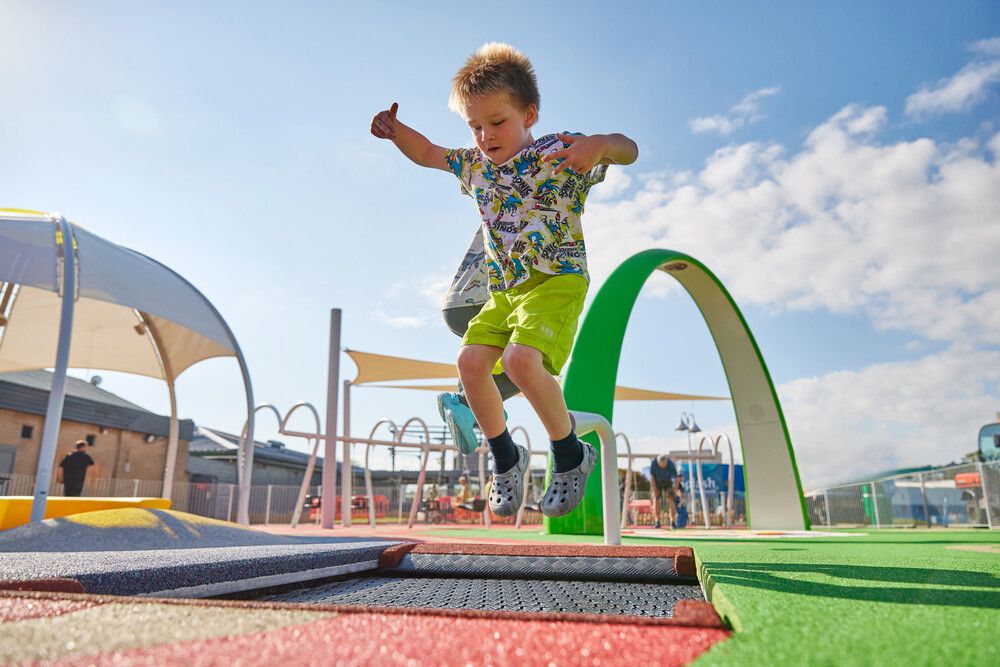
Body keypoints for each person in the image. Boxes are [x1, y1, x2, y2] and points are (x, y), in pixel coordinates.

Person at [372, 42, 638, 518]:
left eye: (497, 122)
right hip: (505, 291)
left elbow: (628, 148)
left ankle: (570, 454)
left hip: (557, 280)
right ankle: (505, 458)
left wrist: (600, 144)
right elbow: (429, 151)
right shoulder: (475, 166)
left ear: (528, 114)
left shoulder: (558, 151)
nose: (485, 136)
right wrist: (396, 132)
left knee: (519, 361)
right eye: (475, 126)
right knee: (470, 364)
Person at [436, 231, 520, 455]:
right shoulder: (532, 203)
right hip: (485, 300)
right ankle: (469, 403)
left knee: (491, 359)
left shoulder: (498, 200)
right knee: (528, 360)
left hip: (458, 301)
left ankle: (481, 402)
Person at [649, 454, 679, 529]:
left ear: (666, 462)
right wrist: (655, 489)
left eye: (664, 465)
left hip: (667, 481)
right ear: (658, 463)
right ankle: (657, 521)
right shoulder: (654, 463)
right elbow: (652, 477)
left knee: (671, 499)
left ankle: (672, 522)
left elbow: (676, 479)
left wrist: (674, 490)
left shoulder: (671, 464)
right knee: (655, 498)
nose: (662, 467)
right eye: (661, 466)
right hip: (657, 481)